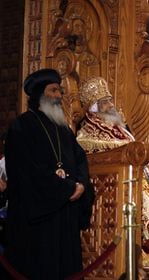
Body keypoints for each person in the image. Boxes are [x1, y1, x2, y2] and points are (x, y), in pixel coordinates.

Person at [76, 77, 149, 266]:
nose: (110, 105)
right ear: (94, 108)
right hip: (113, 180)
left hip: (137, 172)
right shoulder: (87, 131)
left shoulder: (120, 128)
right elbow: (89, 147)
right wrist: (128, 149)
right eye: (104, 102)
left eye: (109, 100)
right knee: (144, 195)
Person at [4, 68, 95, 279]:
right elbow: (26, 171)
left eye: (60, 91)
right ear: (38, 94)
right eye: (53, 90)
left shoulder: (63, 129)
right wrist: (66, 188)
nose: (59, 96)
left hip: (65, 215)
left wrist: (81, 184)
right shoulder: (21, 126)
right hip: (38, 219)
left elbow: (80, 159)